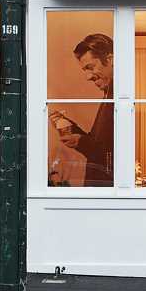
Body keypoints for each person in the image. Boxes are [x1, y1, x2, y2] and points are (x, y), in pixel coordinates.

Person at [48, 32, 114, 187]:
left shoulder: (117, 97)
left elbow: (110, 156)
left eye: (90, 67)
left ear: (110, 60)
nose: (88, 77)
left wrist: (81, 141)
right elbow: (99, 144)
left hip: (105, 193)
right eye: (84, 70)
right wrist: (70, 128)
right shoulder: (109, 94)